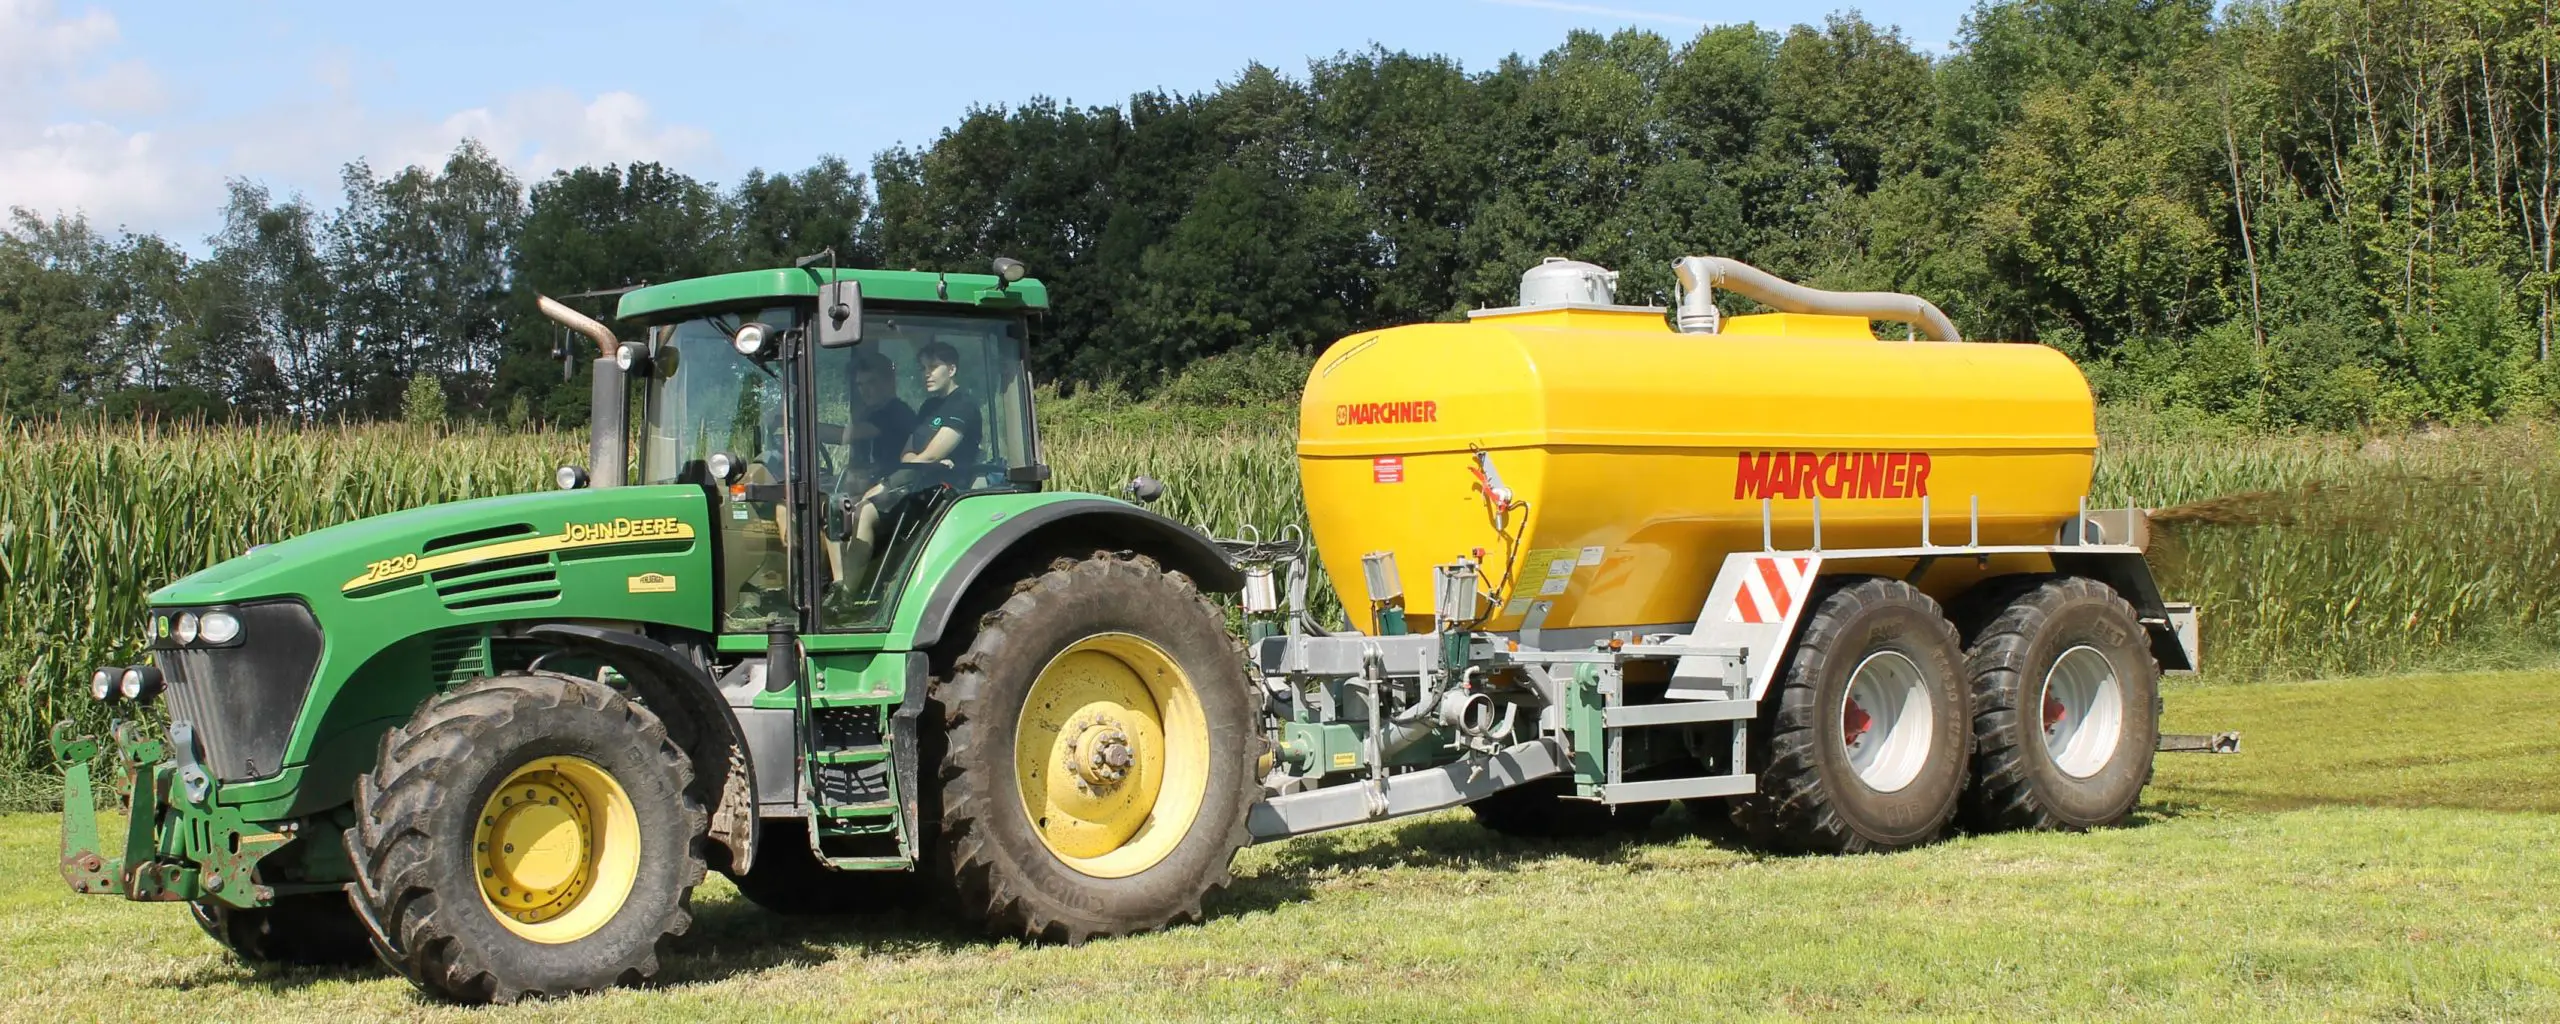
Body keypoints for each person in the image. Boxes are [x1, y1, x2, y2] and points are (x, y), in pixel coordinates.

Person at [826, 342, 980, 612]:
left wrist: (920, 460)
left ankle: (846, 596)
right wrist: (918, 459)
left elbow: (930, 456)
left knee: (865, 511)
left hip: (943, 492)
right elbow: (908, 454)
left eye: (933, 367)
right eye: (923, 368)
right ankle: (840, 587)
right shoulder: (928, 407)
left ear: (952, 369)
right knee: (834, 508)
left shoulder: (963, 406)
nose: (927, 374)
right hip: (917, 482)